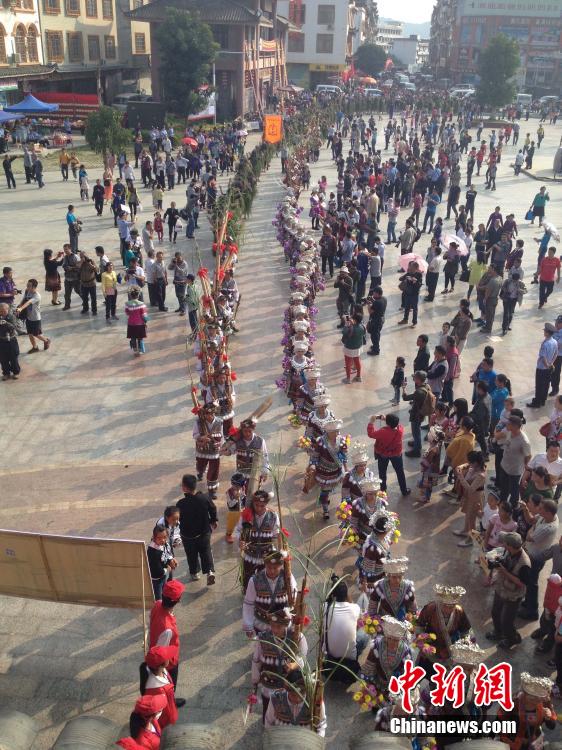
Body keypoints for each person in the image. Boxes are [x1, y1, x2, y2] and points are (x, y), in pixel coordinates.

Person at [251, 607, 307, 722]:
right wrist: (255, 682)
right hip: (268, 686)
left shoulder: (297, 637)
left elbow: (303, 657)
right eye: (272, 626)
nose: (275, 630)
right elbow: (256, 662)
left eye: (279, 627)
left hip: (288, 691)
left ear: (286, 625)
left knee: (284, 717)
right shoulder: (262, 639)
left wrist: (295, 664)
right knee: (268, 715)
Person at [485, 530, 530, 649]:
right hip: (501, 588)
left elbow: (522, 584)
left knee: (506, 621)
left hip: (513, 595)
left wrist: (504, 571)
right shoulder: (508, 551)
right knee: (495, 612)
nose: (503, 543)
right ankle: (498, 633)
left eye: (505, 542)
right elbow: (502, 562)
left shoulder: (524, 563)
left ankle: (512, 639)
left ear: (510, 545)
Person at [520, 499, 560, 621]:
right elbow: (532, 520)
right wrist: (526, 510)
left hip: (536, 558)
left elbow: (529, 537)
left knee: (532, 584)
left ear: (548, 512)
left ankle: (532, 612)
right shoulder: (549, 517)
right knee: (529, 582)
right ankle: (528, 603)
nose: (538, 510)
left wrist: (531, 529)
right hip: (532, 554)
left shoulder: (548, 528)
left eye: (541, 509)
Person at [243, 549, 297, 637]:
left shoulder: (288, 577)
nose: (272, 571)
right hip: (261, 625)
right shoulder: (254, 580)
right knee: (262, 645)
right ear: (265, 565)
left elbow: (294, 597)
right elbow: (248, 603)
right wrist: (248, 625)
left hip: (282, 626)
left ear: (281, 566)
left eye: (275, 568)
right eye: (269, 567)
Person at [175, 473, 217, 585]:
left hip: (188, 536)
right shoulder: (204, 498)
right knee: (205, 550)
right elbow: (213, 508)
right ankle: (209, 571)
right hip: (204, 532)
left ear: (184, 487)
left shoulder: (181, 504)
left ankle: (194, 573)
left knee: (191, 554)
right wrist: (213, 520)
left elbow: (177, 519)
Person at [235, 489, 279, 590]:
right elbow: (237, 531)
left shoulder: (273, 516)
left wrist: (279, 552)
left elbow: (276, 534)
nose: (259, 508)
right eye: (256, 505)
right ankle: (247, 593)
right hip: (249, 554)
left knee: (264, 581)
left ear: (266, 504)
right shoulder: (246, 515)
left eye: (262, 506)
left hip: (266, 555)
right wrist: (240, 541)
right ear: (253, 503)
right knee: (246, 579)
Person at [148, 578, 185, 694]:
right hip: (169, 664)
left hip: (155, 647)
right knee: (169, 689)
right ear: (178, 600)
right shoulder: (167, 628)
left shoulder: (157, 604)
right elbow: (161, 654)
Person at [264, 668, 326, 735]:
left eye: (301, 695)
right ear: (287, 690)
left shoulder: (315, 702)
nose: (297, 699)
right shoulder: (276, 699)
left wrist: (317, 738)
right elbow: (268, 722)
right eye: (293, 695)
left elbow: (321, 725)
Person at [367, 413, 410, 496]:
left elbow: (371, 434)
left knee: (382, 473)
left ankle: (383, 491)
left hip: (383, 454)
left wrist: (371, 422)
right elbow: (397, 425)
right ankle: (404, 490)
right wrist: (387, 420)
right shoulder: (400, 430)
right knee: (400, 472)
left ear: (388, 423)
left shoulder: (382, 432)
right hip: (396, 454)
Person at [451, 450, 487, 546]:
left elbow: (471, 489)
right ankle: (465, 530)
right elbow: (466, 464)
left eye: (471, 462)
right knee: (468, 514)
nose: (469, 464)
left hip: (475, 497)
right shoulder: (475, 466)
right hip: (470, 496)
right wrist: (460, 467)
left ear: (476, 463)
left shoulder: (481, 475)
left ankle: (470, 540)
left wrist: (460, 477)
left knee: (472, 519)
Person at [140, 646, 179, 730]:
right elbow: (157, 714)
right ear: (163, 663)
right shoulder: (157, 690)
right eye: (167, 657)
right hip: (164, 719)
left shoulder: (161, 670)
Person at [498, 414, 532, 508]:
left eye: (509, 424)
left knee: (514, 491)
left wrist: (524, 466)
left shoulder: (524, 441)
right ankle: (502, 504)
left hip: (515, 470)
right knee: (504, 488)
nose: (506, 425)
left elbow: (528, 456)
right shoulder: (509, 432)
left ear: (515, 426)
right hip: (504, 465)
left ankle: (513, 508)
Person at [192, 402, 223, 498]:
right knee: (200, 465)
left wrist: (221, 445)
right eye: (207, 414)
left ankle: (212, 490)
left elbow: (222, 436)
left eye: (211, 414)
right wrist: (202, 438)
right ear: (204, 414)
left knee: (214, 470)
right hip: (202, 449)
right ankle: (200, 472)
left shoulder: (219, 422)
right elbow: (195, 435)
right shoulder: (198, 422)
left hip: (214, 450)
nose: (209, 416)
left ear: (214, 413)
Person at [402, 370, 434, 458]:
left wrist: (404, 388)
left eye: (414, 377)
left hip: (416, 415)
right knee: (417, 430)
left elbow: (405, 398)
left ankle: (416, 451)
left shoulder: (419, 392)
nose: (413, 378)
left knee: (416, 432)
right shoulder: (427, 386)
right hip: (421, 413)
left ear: (419, 379)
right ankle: (417, 444)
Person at [527, 323, 559, 408]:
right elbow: (556, 353)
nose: (544, 332)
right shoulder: (555, 342)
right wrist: (551, 363)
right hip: (549, 367)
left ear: (547, 333)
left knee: (539, 385)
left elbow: (543, 357)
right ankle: (543, 401)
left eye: (545, 331)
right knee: (546, 385)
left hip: (542, 368)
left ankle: (537, 403)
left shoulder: (545, 343)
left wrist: (547, 365)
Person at [16, 279, 50, 354]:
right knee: (30, 333)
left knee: (36, 334)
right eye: (27, 285)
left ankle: (46, 340)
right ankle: (35, 347)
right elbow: (24, 299)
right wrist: (19, 306)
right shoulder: (27, 291)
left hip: (35, 318)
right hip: (28, 317)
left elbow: (28, 302)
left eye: (29, 286)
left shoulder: (37, 296)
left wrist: (21, 309)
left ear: (34, 287)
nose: (27, 287)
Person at [147, 523, 176, 601]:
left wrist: (171, 559)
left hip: (163, 574)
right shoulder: (153, 551)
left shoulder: (164, 543)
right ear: (154, 538)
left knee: (164, 592)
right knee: (158, 597)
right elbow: (156, 569)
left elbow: (167, 553)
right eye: (159, 538)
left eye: (164, 537)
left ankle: (164, 603)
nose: (162, 540)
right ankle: (159, 606)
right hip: (156, 579)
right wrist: (166, 569)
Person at [341, 311, 365, 384]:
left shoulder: (351, 328)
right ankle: (358, 376)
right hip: (358, 347)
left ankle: (348, 379)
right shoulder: (362, 326)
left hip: (349, 348)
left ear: (355, 320)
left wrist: (346, 325)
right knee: (357, 361)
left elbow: (344, 332)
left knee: (348, 363)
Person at [398, 261, 423, 328]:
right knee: (407, 307)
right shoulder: (408, 273)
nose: (409, 267)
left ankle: (414, 322)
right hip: (407, 293)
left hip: (414, 294)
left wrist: (415, 281)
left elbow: (419, 285)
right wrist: (406, 276)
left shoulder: (419, 274)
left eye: (411, 266)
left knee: (415, 309)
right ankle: (405, 319)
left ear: (415, 268)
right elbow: (400, 279)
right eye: (409, 266)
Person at [124, 287, 148, 355]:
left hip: (131, 323)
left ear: (131, 295)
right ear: (138, 295)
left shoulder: (127, 304)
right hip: (140, 324)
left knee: (133, 337)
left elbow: (127, 313)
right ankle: (140, 350)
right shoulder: (142, 304)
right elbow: (144, 315)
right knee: (140, 338)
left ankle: (135, 350)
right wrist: (146, 321)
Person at [0, 303, 20, 380]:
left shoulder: (11, 317)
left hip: (11, 340)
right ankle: (6, 373)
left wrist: (6, 323)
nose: (2, 312)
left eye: (3, 311)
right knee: (3, 358)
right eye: (0, 311)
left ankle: (16, 372)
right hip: (2, 340)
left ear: (7, 310)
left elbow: (15, 327)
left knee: (13, 357)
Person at [366, 286, 386, 356]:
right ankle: (375, 346)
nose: (373, 294)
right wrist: (373, 301)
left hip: (376, 321)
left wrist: (369, 304)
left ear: (377, 293)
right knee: (377, 334)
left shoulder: (377, 302)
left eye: (374, 293)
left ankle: (376, 350)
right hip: (381, 319)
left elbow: (370, 312)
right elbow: (378, 305)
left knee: (374, 336)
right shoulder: (384, 299)